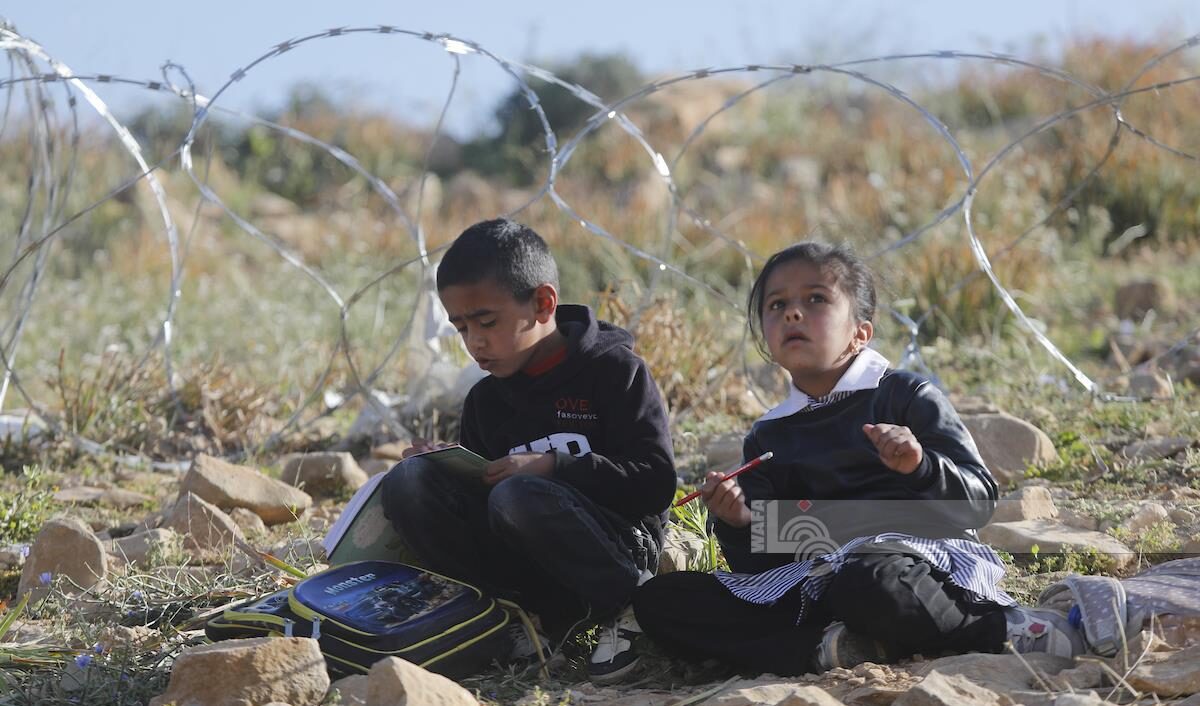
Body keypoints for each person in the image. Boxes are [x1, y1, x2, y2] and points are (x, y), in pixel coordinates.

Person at [633, 241, 1084, 676]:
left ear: (860, 333)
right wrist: (737, 522)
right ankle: (830, 648)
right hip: (816, 578)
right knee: (661, 600)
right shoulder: (769, 434)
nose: (793, 312)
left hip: (911, 565)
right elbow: (765, 567)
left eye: (816, 299)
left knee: (868, 582)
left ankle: (995, 630)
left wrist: (920, 466)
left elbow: (978, 503)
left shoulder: (905, 396)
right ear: (766, 338)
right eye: (776, 305)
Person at [380, 218, 676, 682]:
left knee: (520, 492)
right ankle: (512, 618)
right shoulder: (486, 400)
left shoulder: (614, 372)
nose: (474, 342)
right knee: (410, 481)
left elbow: (655, 480)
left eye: (487, 322)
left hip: (612, 551)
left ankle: (626, 608)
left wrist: (555, 466)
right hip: (531, 565)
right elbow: (485, 496)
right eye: (460, 328)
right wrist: (448, 469)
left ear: (543, 303)